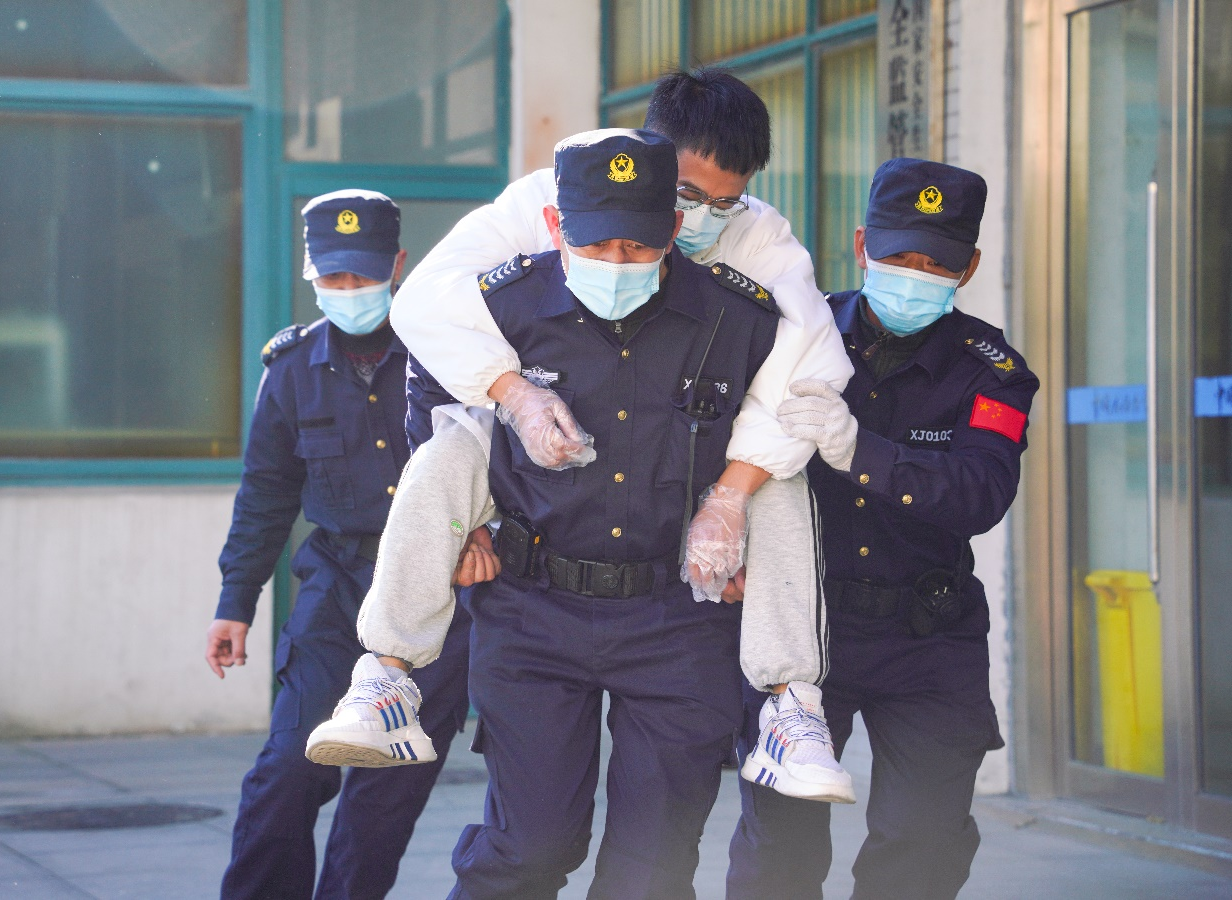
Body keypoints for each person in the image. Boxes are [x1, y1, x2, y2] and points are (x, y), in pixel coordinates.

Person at [308, 69, 857, 806]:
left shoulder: (758, 236)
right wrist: (512, 397)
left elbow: (813, 367)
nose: (700, 219)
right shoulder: (553, 196)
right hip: (540, 490)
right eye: (685, 194)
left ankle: (792, 708)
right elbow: (428, 313)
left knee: (779, 479)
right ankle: (386, 676)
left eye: (723, 202)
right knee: (448, 453)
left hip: (675, 493)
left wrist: (731, 497)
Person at [438, 126, 781, 898]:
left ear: (674, 228)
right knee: (530, 848)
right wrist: (458, 528)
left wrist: (740, 519)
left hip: (676, 617)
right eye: (596, 244)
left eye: (638, 245)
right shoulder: (500, 305)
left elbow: (789, 424)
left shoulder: (738, 318)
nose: (618, 263)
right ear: (556, 224)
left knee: (651, 870)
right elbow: (430, 408)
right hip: (531, 609)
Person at [726, 158, 1042, 899]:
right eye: (901, 256)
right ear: (864, 244)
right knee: (779, 848)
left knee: (925, 843)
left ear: (969, 268)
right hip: (806, 629)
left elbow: (981, 493)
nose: (916, 275)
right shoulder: (796, 334)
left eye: (938, 264)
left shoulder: (991, 371)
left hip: (929, 633)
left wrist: (858, 451)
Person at [205, 190, 473, 900]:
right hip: (337, 590)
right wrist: (235, 602)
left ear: (398, 265)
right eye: (334, 276)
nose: (349, 289)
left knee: (381, 801)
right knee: (287, 771)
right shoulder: (290, 369)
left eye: (364, 273)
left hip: (434, 598)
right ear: (311, 273)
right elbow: (265, 494)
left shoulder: (449, 356)